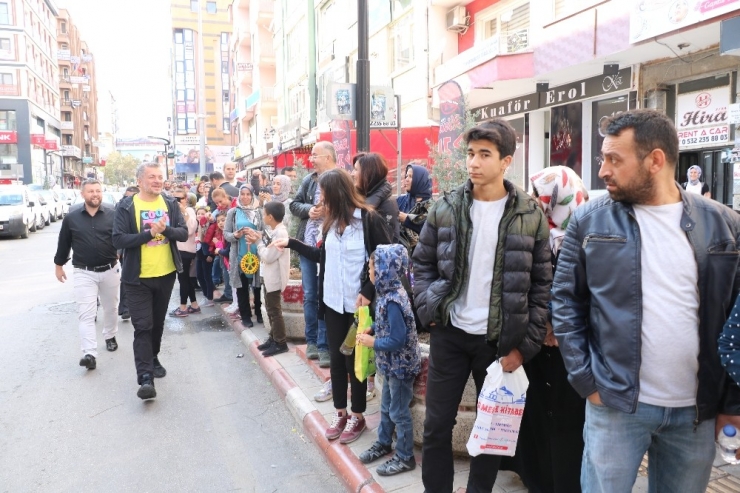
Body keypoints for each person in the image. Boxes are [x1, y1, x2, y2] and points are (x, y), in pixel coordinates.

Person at [552, 109, 740, 492]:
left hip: (696, 413)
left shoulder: (725, 225)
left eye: (614, 159)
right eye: (603, 158)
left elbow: (737, 321)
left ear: (655, 160)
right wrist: (586, 380)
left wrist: (730, 404)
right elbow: (565, 302)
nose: (603, 170)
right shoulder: (589, 221)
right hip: (615, 406)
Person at [412, 118, 551, 493]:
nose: (473, 162)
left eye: (484, 154)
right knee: (437, 427)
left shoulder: (529, 213)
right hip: (450, 335)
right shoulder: (447, 206)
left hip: (497, 343)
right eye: (471, 153)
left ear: (506, 161)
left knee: (491, 432)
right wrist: (430, 309)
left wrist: (525, 346)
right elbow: (421, 263)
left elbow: (542, 285)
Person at [274, 168, 393, 445]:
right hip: (331, 303)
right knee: (337, 362)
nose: (320, 204)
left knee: (356, 364)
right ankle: (341, 412)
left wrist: (368, 290)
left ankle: (358, 415)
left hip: (357, 307)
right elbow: (321, 256)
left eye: (324, 198)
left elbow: (386, 258)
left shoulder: (368, 220)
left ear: (338, 195)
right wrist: (291, 243)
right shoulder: (330, 223)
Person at [505, 166, 587, 493]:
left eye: (541, 195)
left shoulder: (587, 233)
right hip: (537, 341)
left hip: (572, 347)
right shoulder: (534, 231)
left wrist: (559, 324)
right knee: (538, 415)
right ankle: (539, 480)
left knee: (569, 422)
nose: (535, 201)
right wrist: (543, 323)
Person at [113, 162, 188, 400]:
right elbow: (119, 240)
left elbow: (183, 233)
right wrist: (149, 234)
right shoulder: (126, 206)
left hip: (165, 275)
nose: (157, 181)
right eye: (151, 177)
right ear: (139, 181)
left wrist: (164, 231)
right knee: (143, 326)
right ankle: (145, 378)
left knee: (156, 323)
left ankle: (153, 356)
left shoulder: (170, 204)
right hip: (137, 278)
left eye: (160, 177)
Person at [357, 244, 421, 476]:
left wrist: (372, 343)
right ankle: (384, 443)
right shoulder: (386, 293)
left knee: (399, 412)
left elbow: (397, 339)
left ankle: (405, 457)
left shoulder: (393, 300)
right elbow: (386, 325)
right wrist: (372, 329)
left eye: (372, 267)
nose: (369, 271)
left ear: (385, 270)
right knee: (386, 408)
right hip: (391, 366)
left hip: (401, 368)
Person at [54, 179, 121, 371]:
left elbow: (121, 238)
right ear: (82, 194)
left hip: (110, 269)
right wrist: (59, 265)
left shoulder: (113, 215)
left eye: (98, 191)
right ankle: (89, 353)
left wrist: (123, 255)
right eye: (91, 191)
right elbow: (64, 243)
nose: (95, 194)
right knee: (86, 314)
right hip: (84, 272)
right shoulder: (71, 218)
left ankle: (110, 335)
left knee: (111, 308)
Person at [290, 141, 336, 368]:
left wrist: (330, 211)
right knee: (310, 295)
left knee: (327, 296)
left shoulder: (341, 179)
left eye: (315, 155)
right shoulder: (309, 180)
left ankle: (325, 344)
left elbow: (351, 208)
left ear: (328, 157)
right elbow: (294, 205)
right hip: (308, 244)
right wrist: (309, 210)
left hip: (331, 247)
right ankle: (312, 342)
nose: (311, 159)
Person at [248, 201, 290, 356]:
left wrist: (258, 243)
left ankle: (280, 342)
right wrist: (259, 239)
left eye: (265, 214)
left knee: (274, 310)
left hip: (275, 277)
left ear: (271, 217)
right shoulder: (275, 230)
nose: (263, 217)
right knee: (272, 309)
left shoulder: (281, 233)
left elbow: (268, 256)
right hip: (269, 276)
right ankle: (273, 338)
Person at [224, 184, 264, 328]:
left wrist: (256, 234)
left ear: (252, 196)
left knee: (258, 286)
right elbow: (226, 234)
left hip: (257, 254)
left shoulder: (259, 212)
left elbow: (265, 232)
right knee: (242, 287)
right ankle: (245, 316)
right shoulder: (233, 213)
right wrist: (236, 234)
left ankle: (259, 313)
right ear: (239, 195)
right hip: (239, 254)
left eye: (248, 194)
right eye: (243, 194)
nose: (245, 197)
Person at [353, 152, 400, 242]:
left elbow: (388, 241)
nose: (352, 174)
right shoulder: (365, 196)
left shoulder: (387, 203)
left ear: (367, 173)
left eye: (356, 170)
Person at [170, 187, 200, 317]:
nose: (176, 201)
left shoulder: (189, 211)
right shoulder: (172, 211)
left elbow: (190, 230)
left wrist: (184, 212)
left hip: (186, 250)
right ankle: (194, 304)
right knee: (186, 279)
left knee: (183, 279)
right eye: (174, 199)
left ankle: (183, 307)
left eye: (179, 199)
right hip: (178, 249)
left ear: (185, 199)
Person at [396, 163, 433, 257]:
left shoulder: (431, 206)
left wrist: (407, 220)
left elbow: (430, 232)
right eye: (406, 176)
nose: (406, 179)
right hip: (401, 257)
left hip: (423, 258)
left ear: (420, 180)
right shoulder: (401, 201)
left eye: (411, 176)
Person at [117, 186, 140, 321]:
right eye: (126, 197)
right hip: (127, 249)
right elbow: (117, 232)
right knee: (126, 279)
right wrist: (119, 251)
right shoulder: (120, 208)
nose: (128, 200)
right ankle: (125, 308)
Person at [194, 205, 215, 307]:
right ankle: (206, 295)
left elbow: (209, 240)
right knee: (199, 275)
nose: (200, 215)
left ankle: (209, 297)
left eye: (203, 214)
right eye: (198, 214)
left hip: (207, 253)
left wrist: (210, 254)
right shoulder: (197, 225)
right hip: (199, 253)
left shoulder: (208, 225)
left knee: (207, 275)